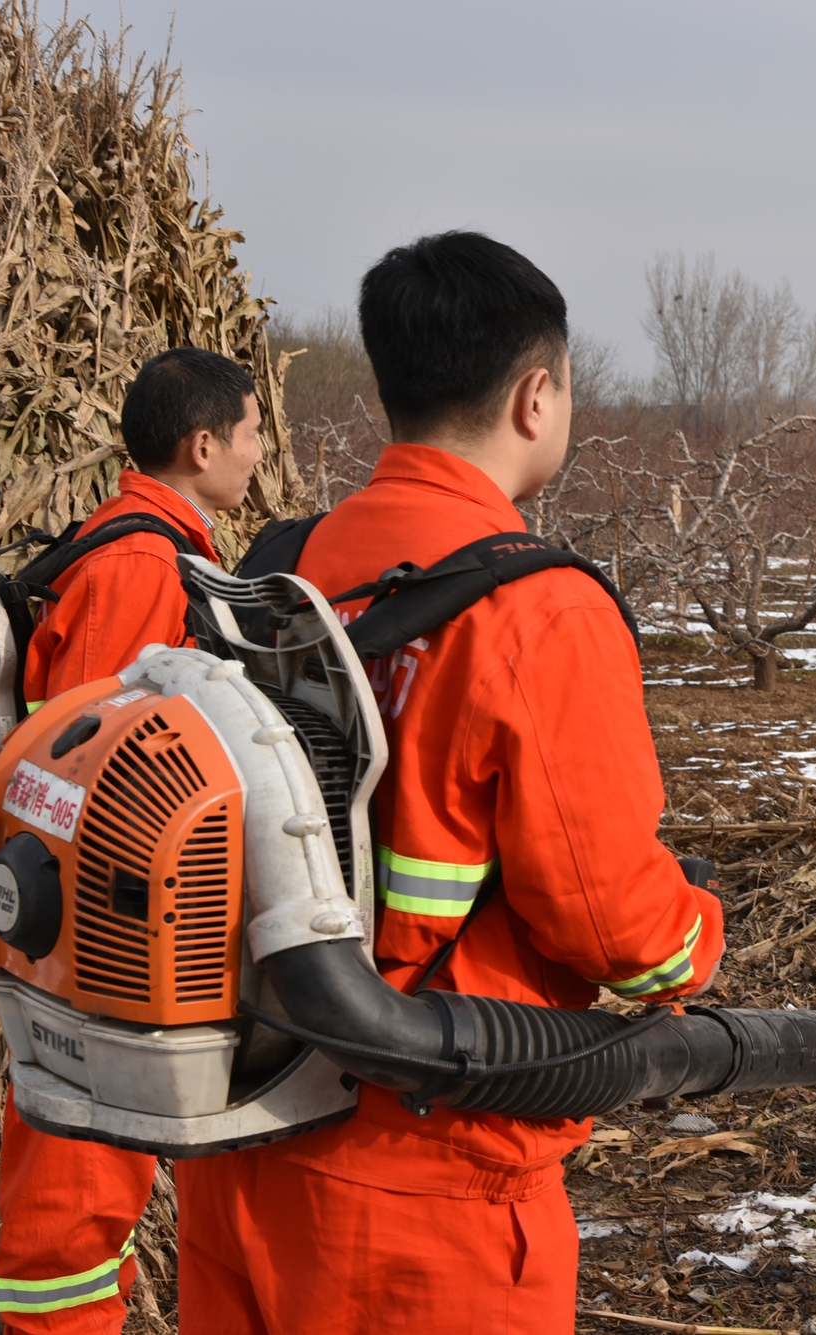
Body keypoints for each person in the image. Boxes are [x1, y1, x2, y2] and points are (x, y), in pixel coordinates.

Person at [172, 233, 725, 1331]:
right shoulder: (538, 609)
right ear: (536, 396)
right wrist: (693, 932)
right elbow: (614, 918)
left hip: (244, 1144)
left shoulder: (290, 570)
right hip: (425, 1183)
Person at [0, 348, 264, 1332]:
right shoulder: (142, 564)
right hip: (96, 949)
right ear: (202, 445)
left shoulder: (129, 542)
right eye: (249, 434)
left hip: (81, 924)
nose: (259, 452)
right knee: (73, 1192)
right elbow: (96, 770)